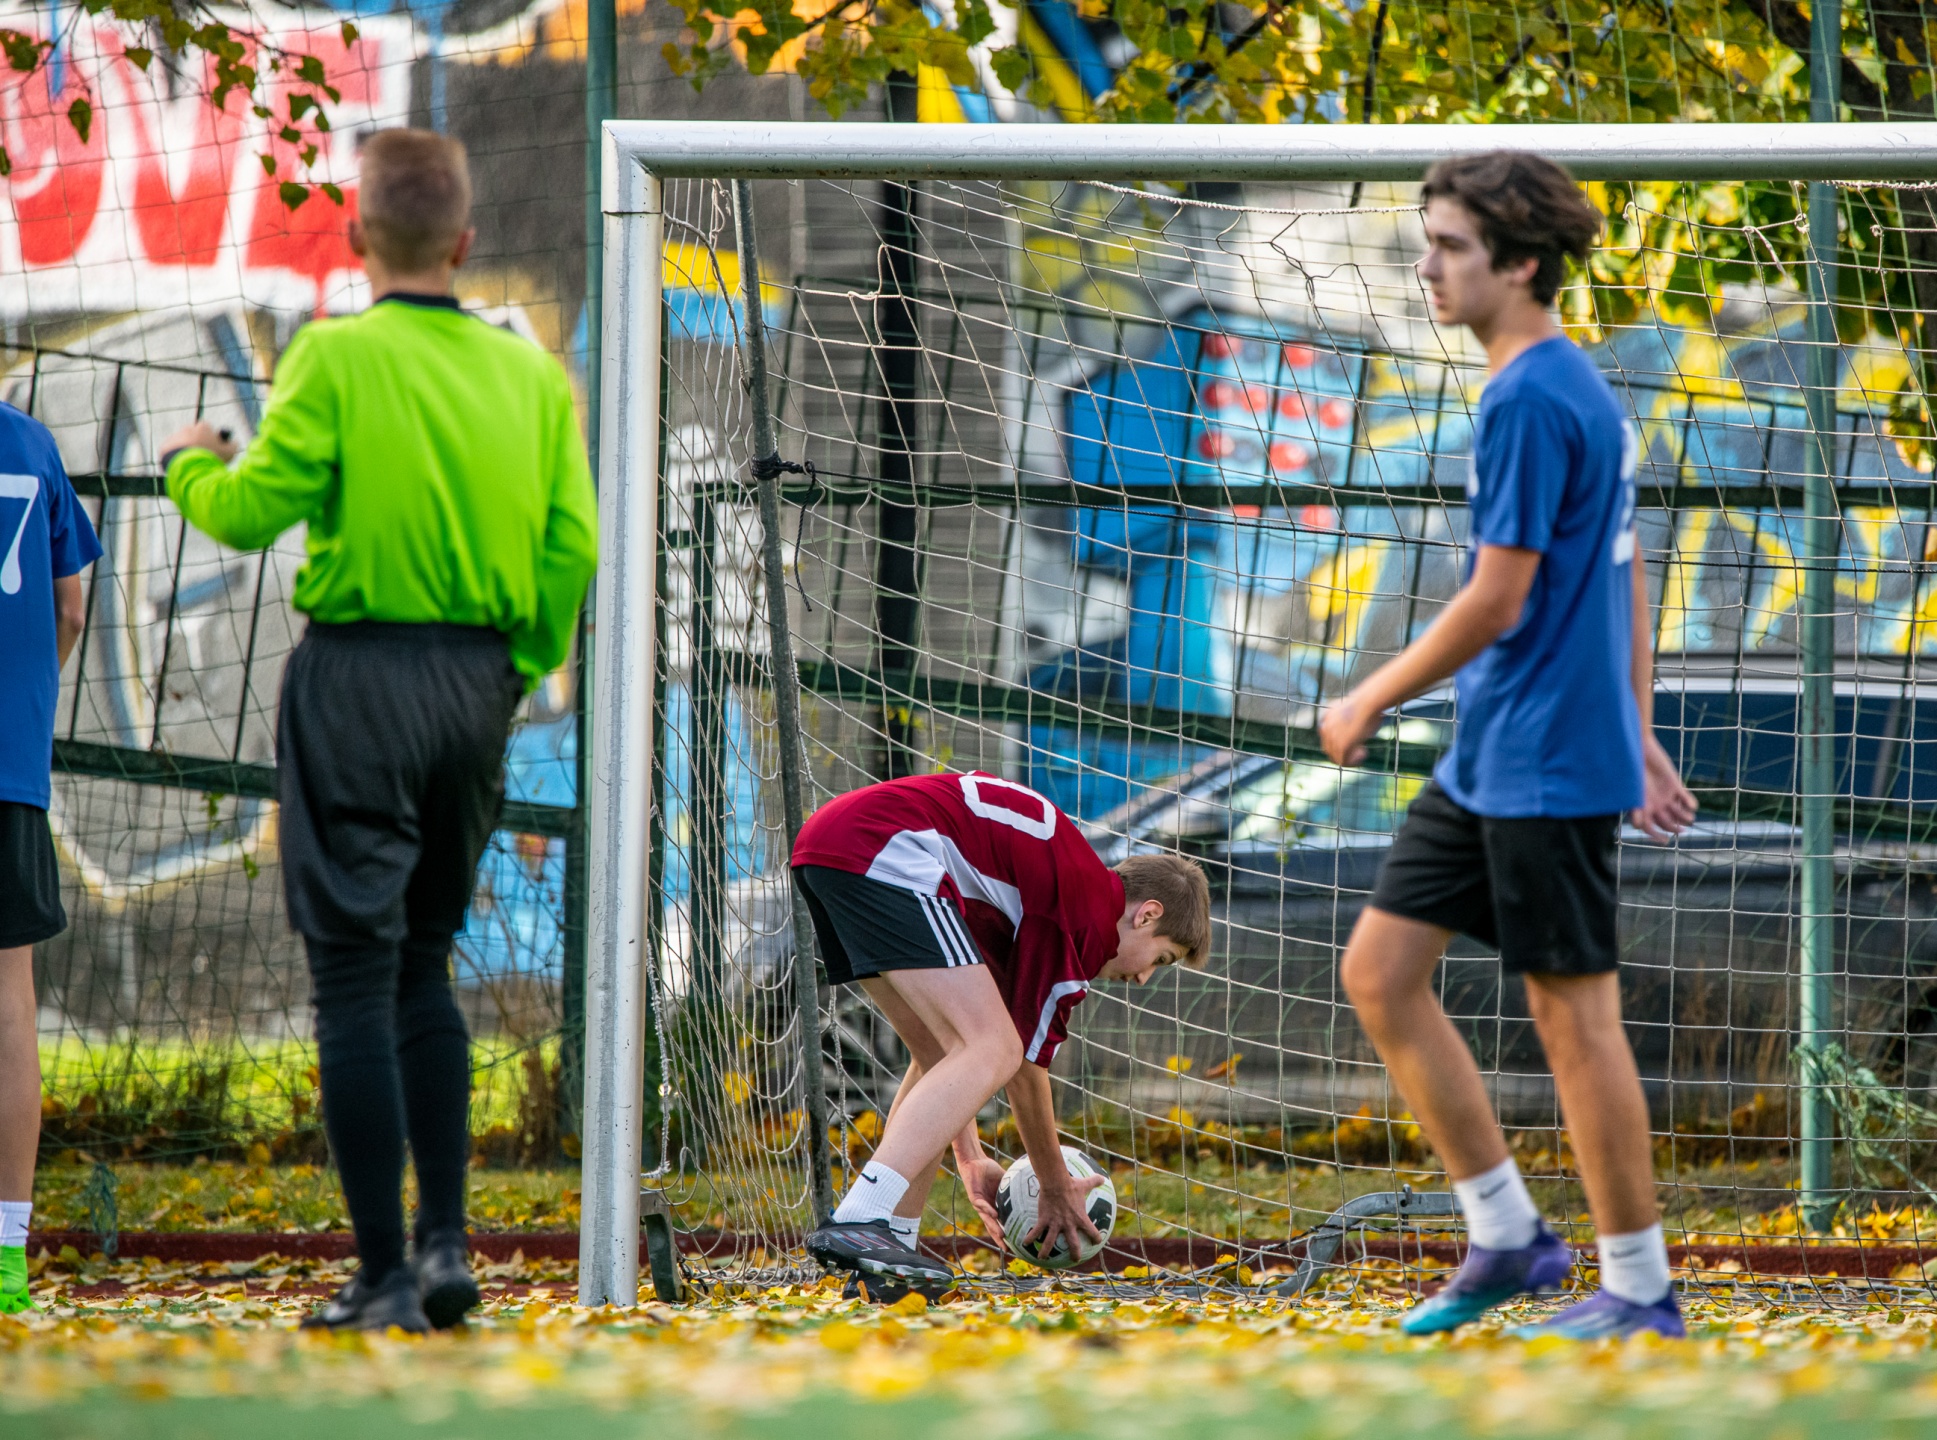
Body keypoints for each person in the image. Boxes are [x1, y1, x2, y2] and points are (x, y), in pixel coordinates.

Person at [161, 129, 598, 1333]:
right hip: (473, 686)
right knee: (424, 964)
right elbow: (572, 544)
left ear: (357, 239)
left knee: (351, 976)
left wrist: (189, 467)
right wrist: (512, 669)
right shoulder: (530, 379)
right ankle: (447, 1245)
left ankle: (381, 1275)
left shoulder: (333, 357)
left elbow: (252, 511)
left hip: (356, 677)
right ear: (463, 243)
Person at [1319, 150, 1699, 1341]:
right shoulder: (1566, 384)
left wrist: (1366, 696)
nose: (1425, 268)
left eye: (1449, 246)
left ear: (1519, 264)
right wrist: (1638, 730)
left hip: (1540, 757)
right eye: (1426, 243)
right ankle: (1505, 1237)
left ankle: (1637, 1291)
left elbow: (1497, 596)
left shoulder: (1532, 398)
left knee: (1573, 1021)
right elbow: (1625, 575)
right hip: (1495, 750)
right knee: (1379, 972)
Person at [790, 770, 1210, 1297]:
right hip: (884, 848)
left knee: (942, 1052)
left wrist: (970, 1157)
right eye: (1161, 958)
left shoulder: (1055, 887)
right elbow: (1023, 1065)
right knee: (998, 1048)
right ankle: (861, 1217)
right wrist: (1054, 1183)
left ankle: (888, 1260)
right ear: (1147, 915)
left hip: (835, 845)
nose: (1145, 977)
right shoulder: (1083, 919)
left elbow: (950, 1061)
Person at [0, 404, 101, 1316]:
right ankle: (5, 1257)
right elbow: (71, 605)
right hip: (12, 761)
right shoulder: (31, 444)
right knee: (10, 996)